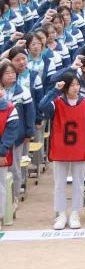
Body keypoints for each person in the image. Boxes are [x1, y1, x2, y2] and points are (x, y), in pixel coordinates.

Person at [39, 72, 85, 230]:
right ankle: (60, 214)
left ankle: (75, 214)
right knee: (59, 183)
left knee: (78, 183)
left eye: (77, 84)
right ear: (65, 87)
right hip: (60, 148)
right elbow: (42, 106)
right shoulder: (57, 102)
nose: (76, 87)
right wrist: (54, 90)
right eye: (72, 85)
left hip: (79, 148)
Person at [0, 81, 21, 226]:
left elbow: (11, 133)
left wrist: (2, 152)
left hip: (1, 153)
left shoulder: (9, 108)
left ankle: (1, 215)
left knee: (0, 184)